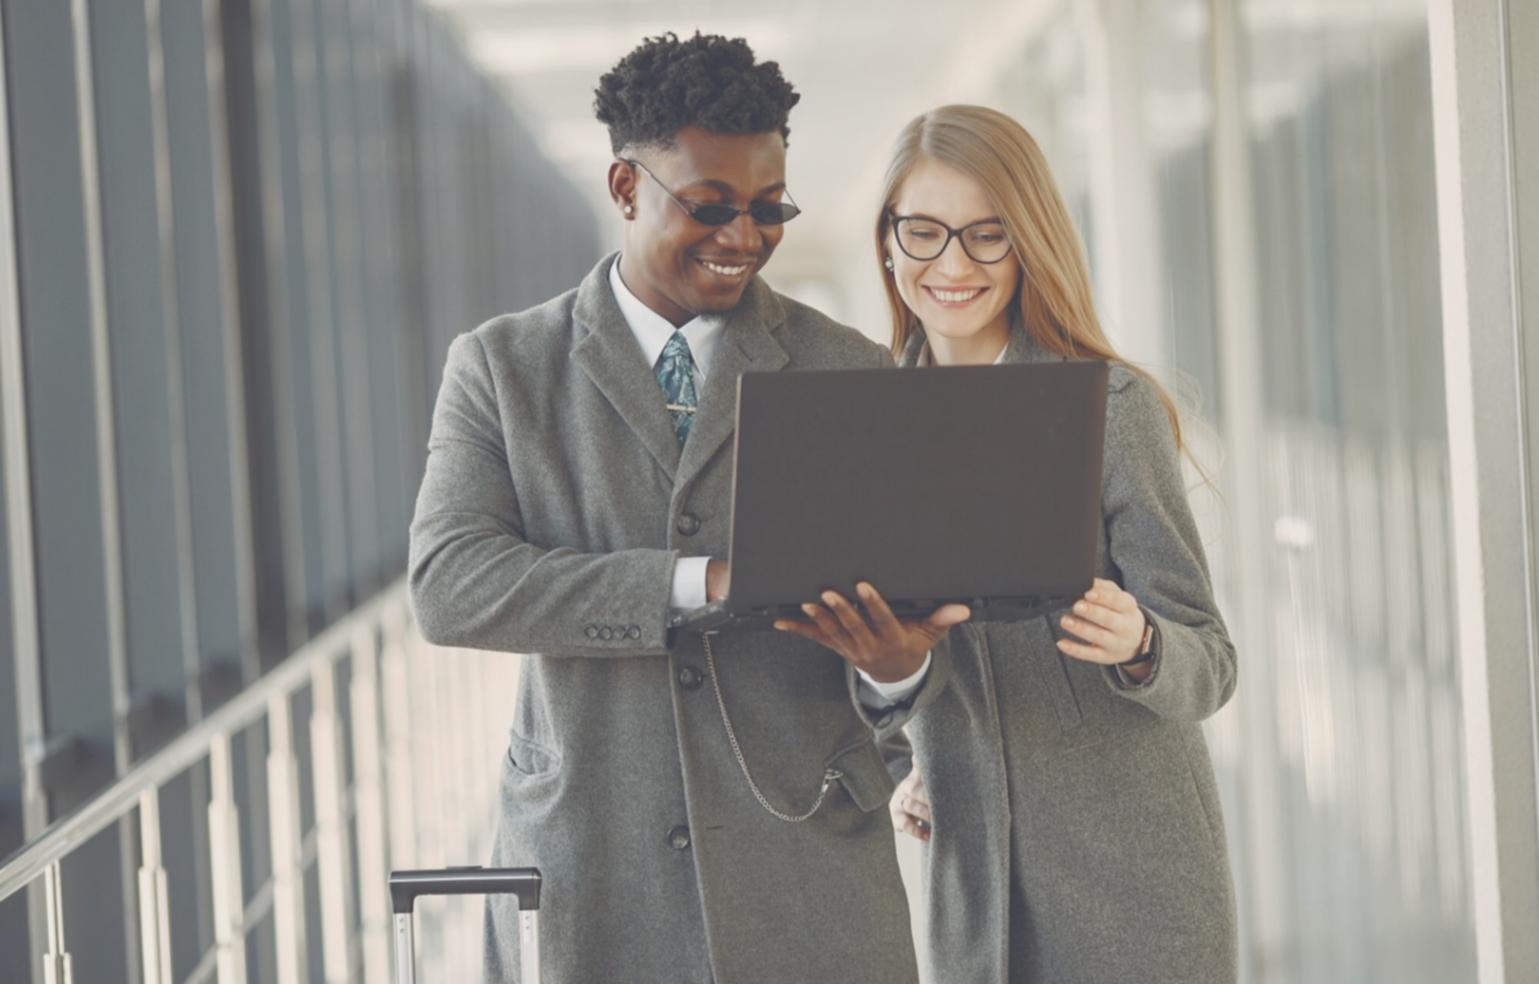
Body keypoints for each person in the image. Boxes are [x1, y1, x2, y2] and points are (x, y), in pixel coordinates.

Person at [408, 33, 962, 984]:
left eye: (768, 207)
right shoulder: (502, 368)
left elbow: (904, 625)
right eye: (709, 207)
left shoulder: (851, 370)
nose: (743, 237)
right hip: (596, 865)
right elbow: (450, 585)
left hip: (805, 871)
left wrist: (894, 670)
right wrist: (699, 583)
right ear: (626, 187)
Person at [777, 104, 1238, 983]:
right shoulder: (860, 428)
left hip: (1132, 880)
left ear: (1028, 242)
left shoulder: (1109, 408)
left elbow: (1209, 663)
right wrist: (909, 758)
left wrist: (1141, 643)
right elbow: (870, 661)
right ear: (887, 241)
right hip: (974, 882)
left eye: (987, 235)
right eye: (923, 232)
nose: (952, 265)